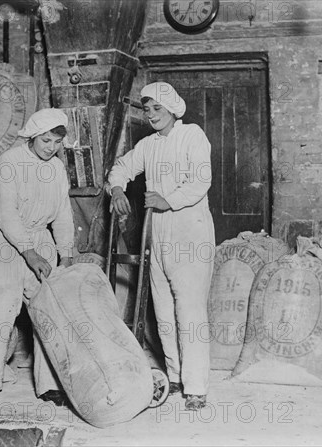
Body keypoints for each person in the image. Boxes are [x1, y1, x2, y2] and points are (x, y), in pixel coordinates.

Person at [107, 82, 215, 411]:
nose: (152, 115)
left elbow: (201, 179)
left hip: (190, 231)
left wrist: (168, 200)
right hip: (157, 234)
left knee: (190, 310)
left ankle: (196, 387)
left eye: (157, 108)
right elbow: (122, 167)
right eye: (147, 109)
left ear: (172, 108)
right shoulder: (148, 145)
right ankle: (177, 375)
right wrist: (117, 190)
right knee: (164, 311)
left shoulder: (191, 134)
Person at [0, 108, 74, 406]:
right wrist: (28, 253)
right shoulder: (9, 162)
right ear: (32, 136)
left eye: (56, 142)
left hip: (40, 236)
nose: (51, 147)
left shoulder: (56, 168)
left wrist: (66, 253)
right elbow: (6, 213)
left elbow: (62, 213)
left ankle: (48, 384)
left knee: (46, 311)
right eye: (46, 141)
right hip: (4, 241)